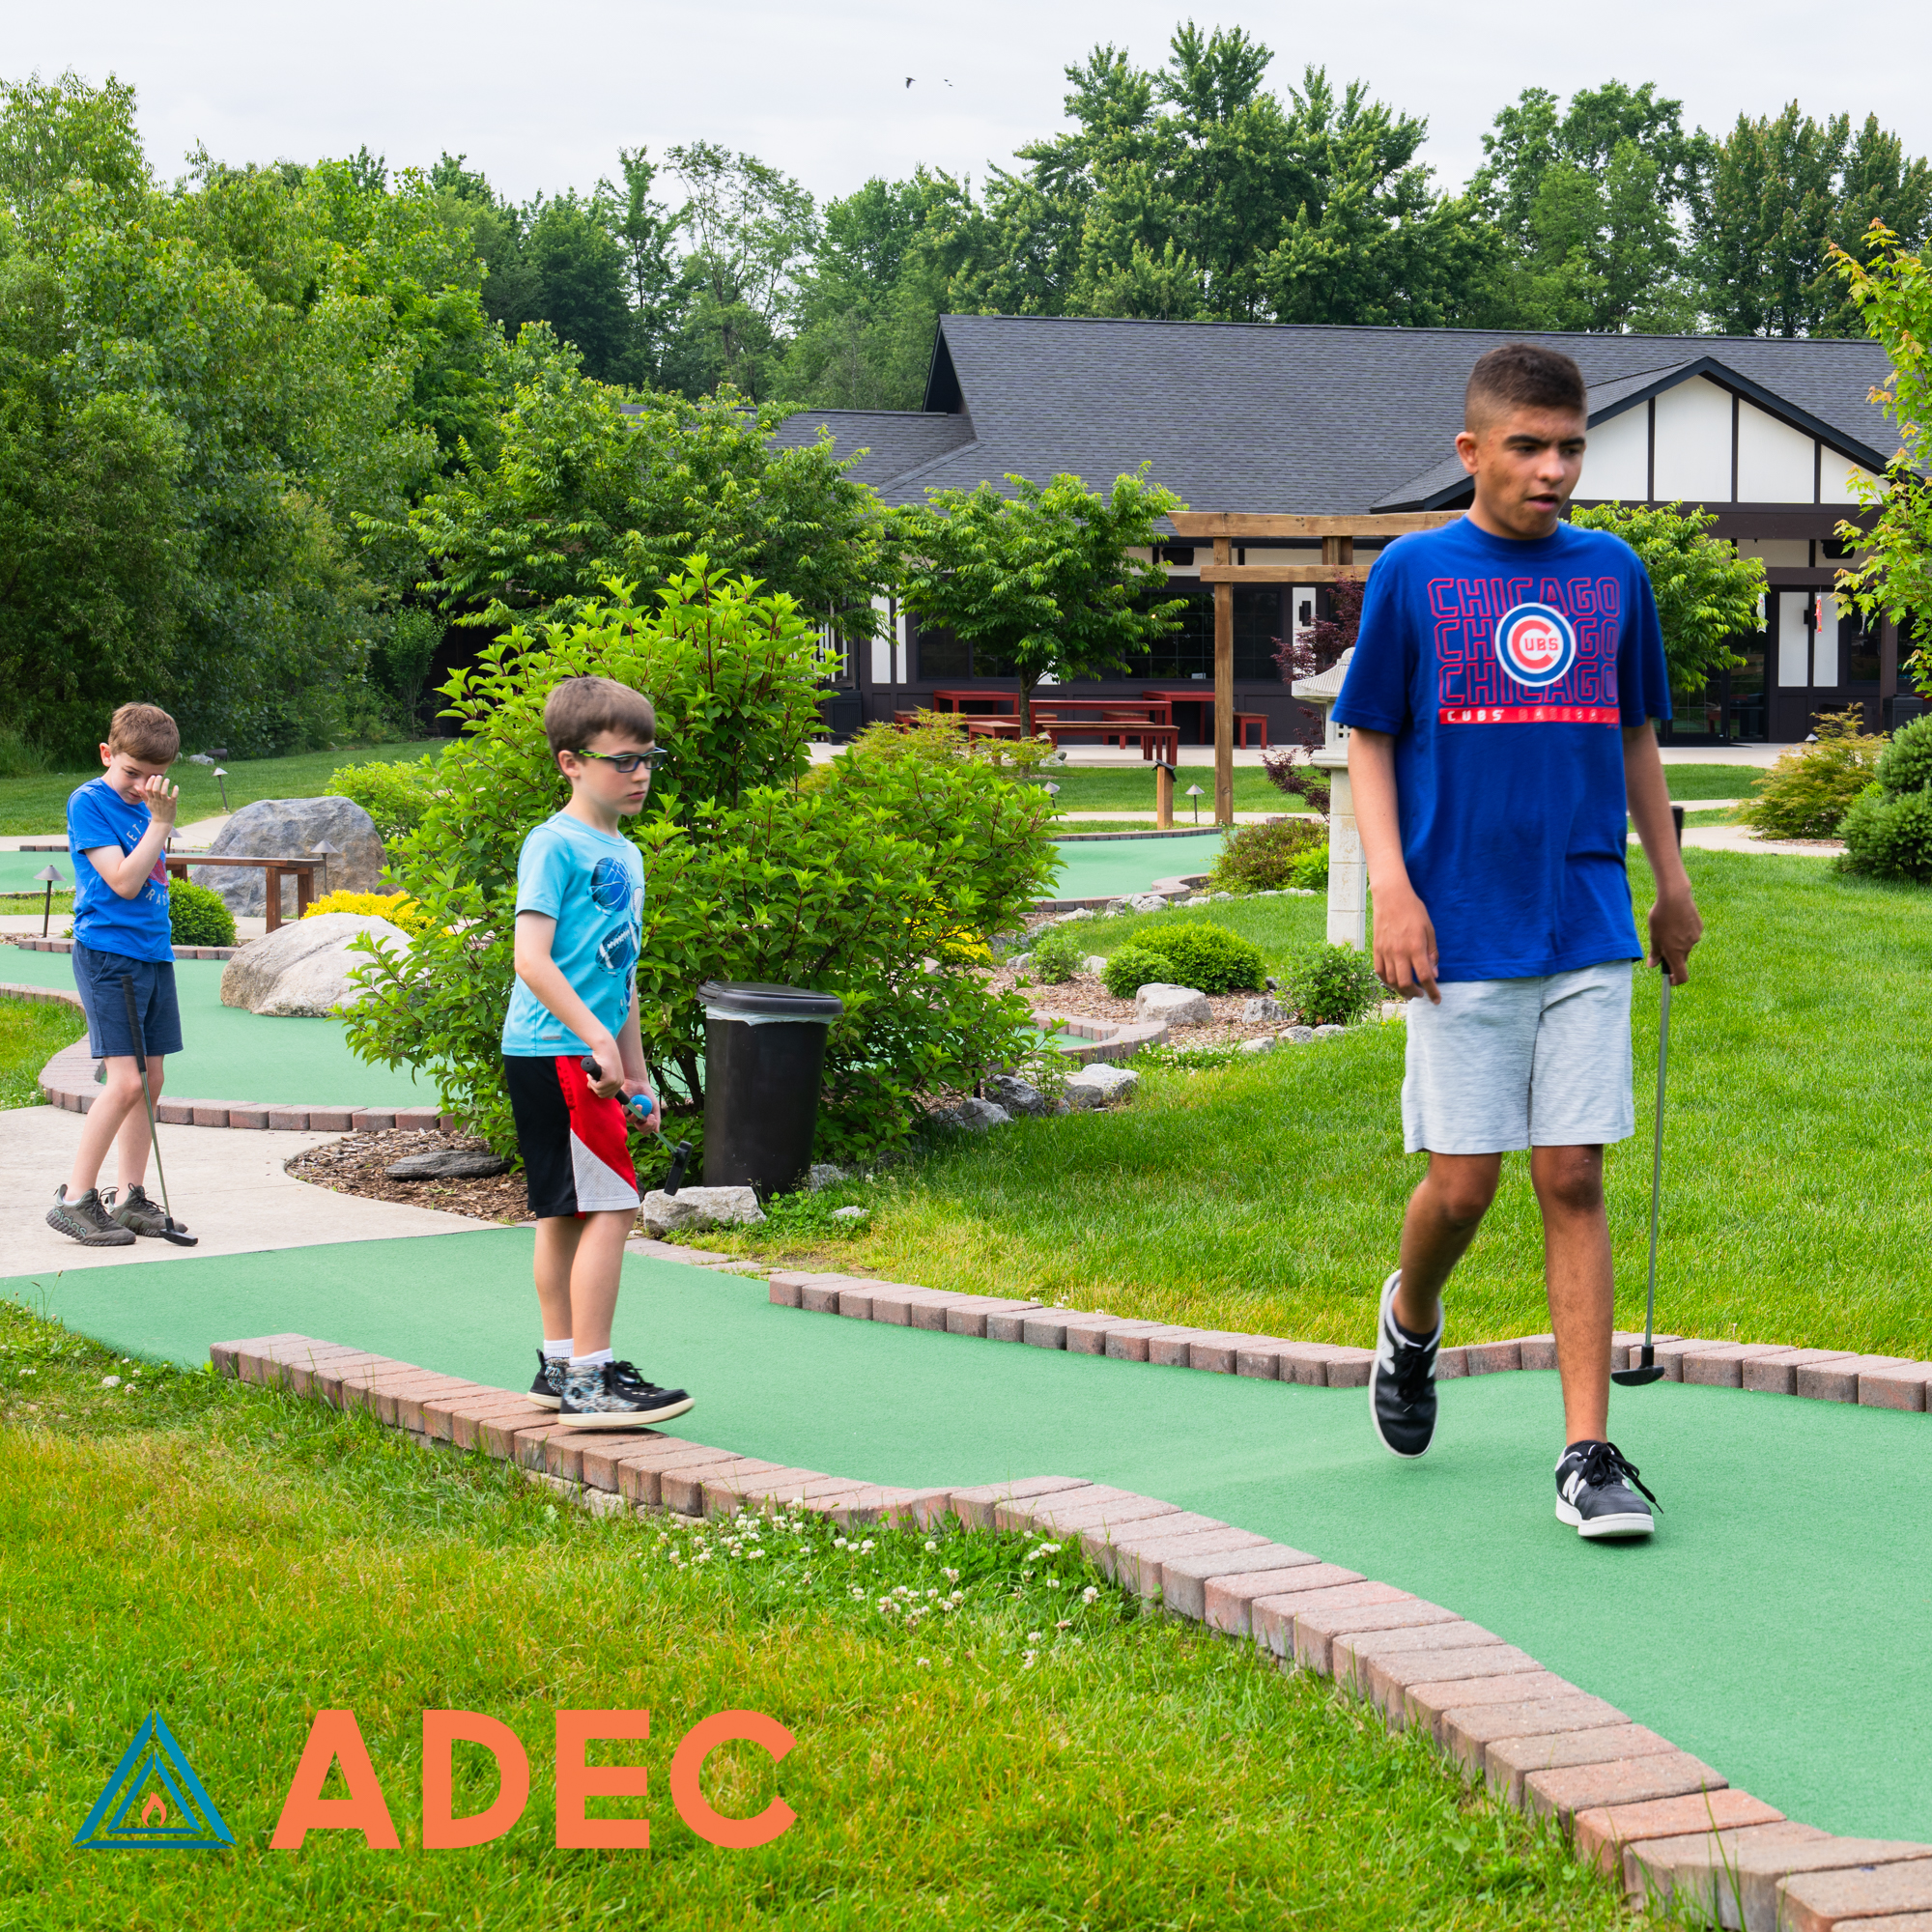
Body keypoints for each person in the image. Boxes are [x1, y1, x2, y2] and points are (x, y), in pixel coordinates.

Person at [1333, 341, 1703, 1541]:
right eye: (1527, 447)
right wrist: (1393, 889)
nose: (1553, 470)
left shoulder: (1612, 574)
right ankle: (1410, 1318)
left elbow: (1635, 734)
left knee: (1570, 1172)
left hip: (1584, 915)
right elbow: (1368, 737)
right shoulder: (1412, 571)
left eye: (1569, 448)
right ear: (1471, 450)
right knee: (1463, 1183)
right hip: (1459, 925)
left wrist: (1671, 883)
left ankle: (1587, 1451)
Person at [502, 675, 693, 1429]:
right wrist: (594, 1040)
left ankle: (559, 1367)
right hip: (559, 1053)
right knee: (611, 1208)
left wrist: (637, 1071)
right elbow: (531, 960)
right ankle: (591, 1380)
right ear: (571, 763)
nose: (640, 774)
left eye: (649, 759)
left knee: (563, 1212)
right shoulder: (553, 845)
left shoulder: (627, 853)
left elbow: (622, 975)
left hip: (580, 1053)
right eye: (623, 760)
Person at [47, 703, 186, 1247]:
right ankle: (74, 1200)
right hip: (109, 954)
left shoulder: (149, 804)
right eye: (131, 772)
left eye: (152, 776)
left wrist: (156, 818)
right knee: (125, 1081)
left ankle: (130, 1198)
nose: (140, 785)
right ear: (107, 754)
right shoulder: (89, 802)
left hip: (152, 953)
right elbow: (125, 883)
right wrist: (160, 824)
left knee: (151, 1081)